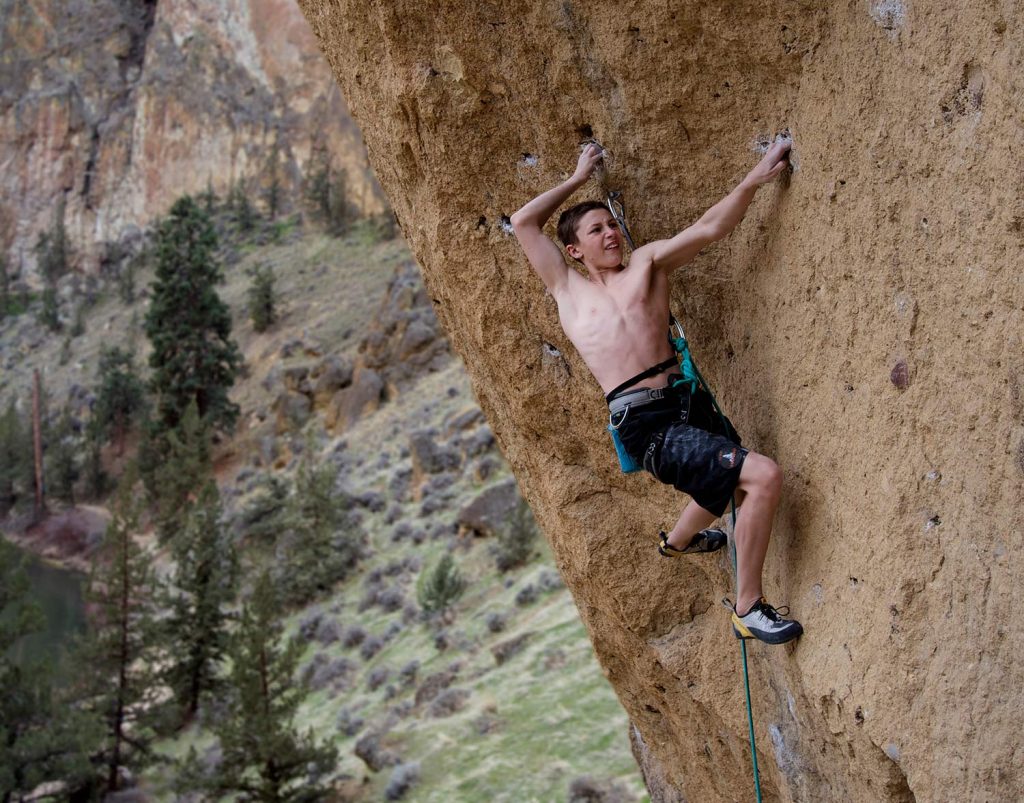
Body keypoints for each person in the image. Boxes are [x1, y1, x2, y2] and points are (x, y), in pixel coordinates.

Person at [509, 139, 802, 645]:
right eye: (596, 229)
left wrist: (752, 181)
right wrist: (579, 178)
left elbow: (710, 227)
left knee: (725, 478)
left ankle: (680, 541)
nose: (611, 234)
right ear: (573, 250)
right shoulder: (567, 291)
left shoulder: (648, 265)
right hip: (644, 425)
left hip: (686, 402)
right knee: (762, 475)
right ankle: (748, 608)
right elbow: (523, 223)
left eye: (612, 225)